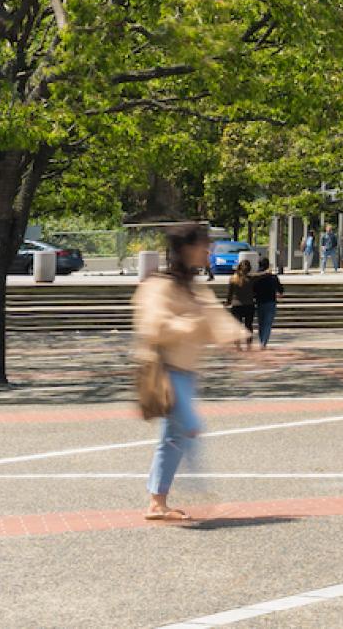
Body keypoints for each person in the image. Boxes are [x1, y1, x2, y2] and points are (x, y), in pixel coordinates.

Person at [132, 222, 247, 522]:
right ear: (187, 248)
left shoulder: (193, 287)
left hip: (185, 372)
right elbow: (153, 326)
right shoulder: (160, 284)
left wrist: (240, 339)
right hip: (166, 371)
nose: (208, 250)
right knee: (189, 427)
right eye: (204, 245)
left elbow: (216, 317)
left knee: (175, 435)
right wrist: (190, 325)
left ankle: (158, 501)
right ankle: (194, 489)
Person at [250, 255, 284, 349]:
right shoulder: (273, 277)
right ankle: (264, 342)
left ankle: (262, 340)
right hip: (270, 302)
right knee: (267, 323)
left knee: (261, 323)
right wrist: (280, 293)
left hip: (259, 301)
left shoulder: (256, 278)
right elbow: (280, 289)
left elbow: (252, 289)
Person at [229, 255, 257, 347]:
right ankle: (248, 343)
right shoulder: (252, 279)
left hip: (236, 305)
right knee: (248, 325)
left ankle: (237, 343)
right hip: (249, 304)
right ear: (249, 269)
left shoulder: (233, 279)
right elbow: (255, 292)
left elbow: (230, 293)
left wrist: (228, 301)